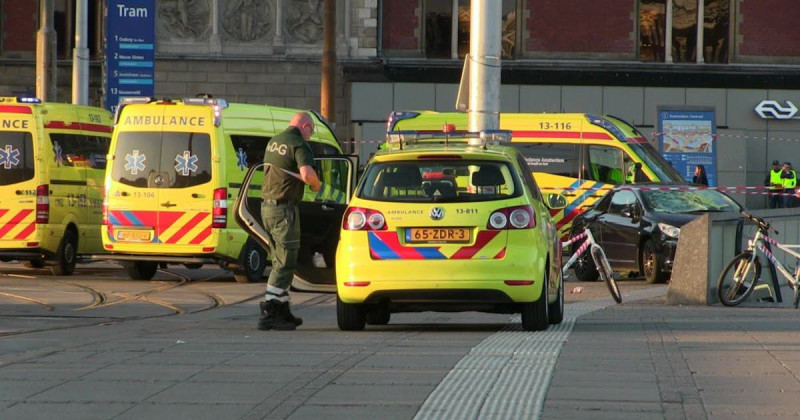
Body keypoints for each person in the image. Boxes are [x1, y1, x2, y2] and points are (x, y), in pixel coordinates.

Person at [257, 111, 322, 331]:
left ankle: (283, 310)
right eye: (311, 131)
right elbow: (307, 174)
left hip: (267, 207)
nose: (310, 137)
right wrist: (316, 185)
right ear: (304, 126)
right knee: (286, 262)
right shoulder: (297, 144)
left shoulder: (274, 141)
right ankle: (270, 312)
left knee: (278, 259)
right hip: (284, 209)